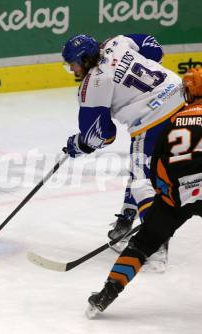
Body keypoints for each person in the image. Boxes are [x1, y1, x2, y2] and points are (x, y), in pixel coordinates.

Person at [62, 34, 186, 271]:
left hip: (152, 120)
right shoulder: (116, 42)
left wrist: (78, 144)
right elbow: (154, 48)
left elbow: (100, 135)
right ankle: (126, 221)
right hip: (185, 99)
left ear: (85, 60)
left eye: (73, 64)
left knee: (141, 182)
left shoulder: (94, 84)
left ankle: (155, 245)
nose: (72, 68)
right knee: (142, 167)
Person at [86, 68, 202, 317]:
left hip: (176, 197)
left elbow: (156, 167)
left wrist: (165, 196)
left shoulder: (173, 121)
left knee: (141, 245)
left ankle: (105, 295)